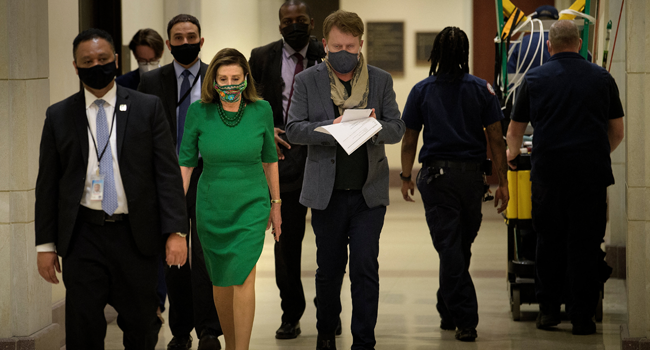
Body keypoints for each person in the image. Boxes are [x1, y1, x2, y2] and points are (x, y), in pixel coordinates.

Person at [35, 28, 188, 350]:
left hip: (136, 236)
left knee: (142, 326)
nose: (96, 65)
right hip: (83, 236)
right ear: (76, 67)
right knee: (83, 329)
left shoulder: (148, 108)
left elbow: (167, 174)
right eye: (87, 61)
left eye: (103, 59)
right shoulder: (59, 115)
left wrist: (176, 231)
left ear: (116, 61)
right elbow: (48, 185)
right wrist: (45, 246)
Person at [285, 10, 405, 350]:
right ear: (324, 44)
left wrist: (372, 126)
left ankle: (364, 340)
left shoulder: (380, 80)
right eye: (337, 45)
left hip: (369, 194)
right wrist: (332, 129)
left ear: (360, 44)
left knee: (365, 269)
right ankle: (326, 333)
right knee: (329, 270)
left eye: (350, 46)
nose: (344, 51)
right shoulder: (308, 80)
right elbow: (294, 129)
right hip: (328, 194)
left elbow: (398, 128)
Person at [506, 20, 624, 335]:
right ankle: (582, 316)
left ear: (549, 46)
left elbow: (515, 130)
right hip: (591, 177)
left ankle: (548, 312)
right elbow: (617, 131)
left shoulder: (535, 78)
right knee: (585, 244)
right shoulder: (602, 78)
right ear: (578, 43)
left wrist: (513, 156)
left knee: (549, 242)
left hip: (549, 176)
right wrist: (596, 155)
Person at [400, 26, 509, 342]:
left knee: (455, 248)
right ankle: (466, 319)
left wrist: (406, 176)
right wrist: (502, 182)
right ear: (465, 55)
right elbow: (496, 140)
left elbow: (409, 138)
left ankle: (447, 307)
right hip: (473, 180)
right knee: (453, 247)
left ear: (434, 55)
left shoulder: (422, 90)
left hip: (437, 179)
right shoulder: (482, 89)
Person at [178, 47, 281, 350]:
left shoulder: (261, 110)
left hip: (251, 204)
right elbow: (185, 164)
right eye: (223, 78)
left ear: (246, 79)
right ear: (213, 81)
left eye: (236, 78)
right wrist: (173, 212)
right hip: (212, 207)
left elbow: (270, 159)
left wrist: (276, 206)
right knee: (221, 281)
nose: (230, 84)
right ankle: (233, 343)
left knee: (244, 277)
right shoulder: (199, 112)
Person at [138, 14, 223, 350]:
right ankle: (179, 330)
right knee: (175, 257)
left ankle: (209, 330)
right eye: (178, 37)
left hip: (208, 175)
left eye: (191, 37)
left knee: (204, 256)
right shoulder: (152, 81)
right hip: (169, 177)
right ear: (169, 42)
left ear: (202, 41)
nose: (185, 42)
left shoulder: (215, 79)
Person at [248, 0, 326, 339]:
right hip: (283, 160)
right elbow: (251, 103)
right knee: (286, 243)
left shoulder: (327, 52)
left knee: (331, 244)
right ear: (279, 25)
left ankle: (329, 312)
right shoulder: (262, 56)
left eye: (300, 19)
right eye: (287, 20)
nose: (294, 25)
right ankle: (290, 313)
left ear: (311, 21)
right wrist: (267, 131)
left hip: (325, 156)